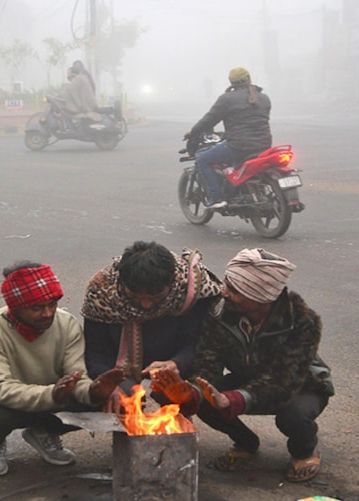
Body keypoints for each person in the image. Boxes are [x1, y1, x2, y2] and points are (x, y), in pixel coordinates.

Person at [148, 248, 334, 483]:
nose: (224, 293)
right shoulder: (218, 313)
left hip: (301, 385)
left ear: (260, 298)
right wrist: (190, 392)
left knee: (292, 417)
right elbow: (208, 364)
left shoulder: (302, 320)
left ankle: (305, 451)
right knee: (206, 400)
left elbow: (282, 383)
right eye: (227, 284)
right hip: (248, 377)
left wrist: (233, 399)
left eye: (234, 290)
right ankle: (246, 442)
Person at [0, 261, 125, 476]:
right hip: (1, 398)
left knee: (107, 404)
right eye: (37, 308)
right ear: (15, 307)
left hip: (55, 391)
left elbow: (77, 375)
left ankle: (43, 432)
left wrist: (94, 391)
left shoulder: (66, 324)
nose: (47, 313)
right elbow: (1, 389)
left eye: (52, 304)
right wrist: (52, 394)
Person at [81, 241, 222, 413]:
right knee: (124, 397)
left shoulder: (191, 292)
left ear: (171, 282)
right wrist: (109, 385)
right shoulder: (101, 293)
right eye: (135, 296)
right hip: (118, 364)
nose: (146, 305)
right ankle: (129, 434)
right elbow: (96, 353)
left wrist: (177, 363)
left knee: (185, 392)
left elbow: (197, 343)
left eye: (155, 296)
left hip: (173, 357)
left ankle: (237, 434)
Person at [185, 67, 272, 209]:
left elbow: (209, 120)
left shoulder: (227, 99)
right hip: (264, 145)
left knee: (203, 159)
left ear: (231, 81)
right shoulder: (263, 97)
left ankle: (216, 198)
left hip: (238, 146)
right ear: (249, 78)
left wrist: (193, 132)